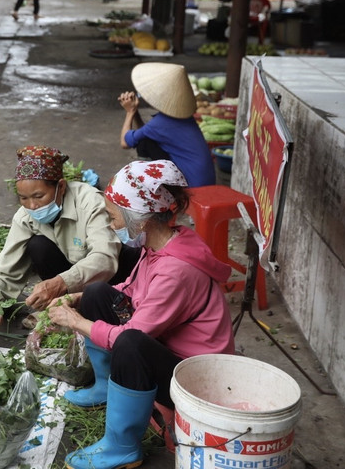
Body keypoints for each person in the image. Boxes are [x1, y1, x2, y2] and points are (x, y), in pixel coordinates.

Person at [47, 160, 235, 469]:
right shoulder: (161, 244)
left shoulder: (177, 269)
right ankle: (107, 387)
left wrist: (75, 322)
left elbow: (131, 333)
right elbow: (133, 290)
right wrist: (79, 296)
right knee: (97, 292)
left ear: (141, 219)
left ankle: (122, 446)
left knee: (130, 344)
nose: (111, 225)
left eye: (113, 217)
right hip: (169, 349)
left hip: (196, 379)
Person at [0, 145, 140, 331]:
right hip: (71, 276)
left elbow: (104, 258)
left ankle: (97, 312)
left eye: (39, 196)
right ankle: (61, 306)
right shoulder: (25, 216)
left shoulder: (90, 203)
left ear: (61, 187)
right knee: (38, 246)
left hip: (110, 278)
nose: (32, 205)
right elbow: (5, 270)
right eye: (23, 198)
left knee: (128, 257)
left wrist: (61, 282)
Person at [119, 62, 215, 187]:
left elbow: (125, 143)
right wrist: (135, 112)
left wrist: (130, 112)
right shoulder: (182, 117)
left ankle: (150, 187)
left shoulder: (162, 122)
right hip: (203, 180)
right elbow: (145, 132)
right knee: (145, 140)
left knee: (144, 143)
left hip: (193, 185)